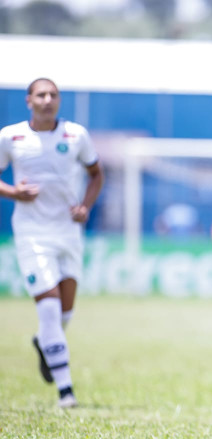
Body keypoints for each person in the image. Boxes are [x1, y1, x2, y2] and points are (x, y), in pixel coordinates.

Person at [0, 78, 105, 408]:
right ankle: (66, 392)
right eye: (41, 94)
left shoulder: (76, 135)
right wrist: (13, 192)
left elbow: (97, 174)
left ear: (59, 100)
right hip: (32, 233)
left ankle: (44, 342)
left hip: (68, 233)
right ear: (29, 100)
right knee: (48, 307)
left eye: (53, 94)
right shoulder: (11, 136)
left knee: (65, 313)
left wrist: (85, 206)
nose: (48, 99)